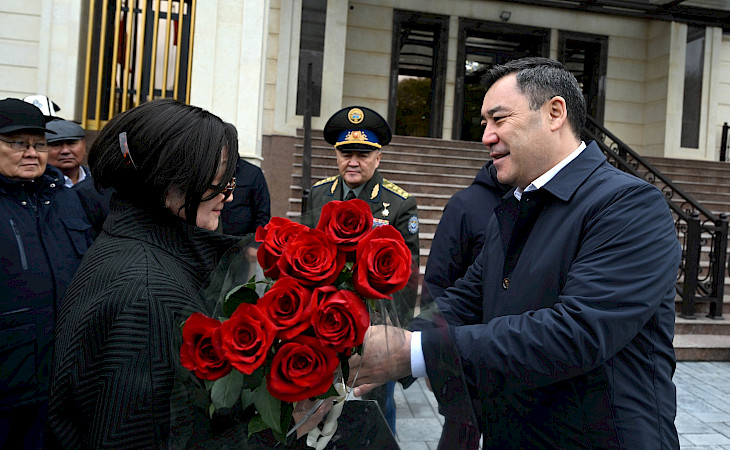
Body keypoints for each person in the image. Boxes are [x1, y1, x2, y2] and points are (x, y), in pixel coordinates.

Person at [349, 57, 682, 449]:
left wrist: (415, 352)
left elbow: (575, 333)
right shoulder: (516, 204)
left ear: (555, 113)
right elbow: (467, 298)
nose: (487, 136)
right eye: (484, 124)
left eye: (499, 119)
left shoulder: (628, 205)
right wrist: (389, 342)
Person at [46, 99, 249, 448]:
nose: (228, 196)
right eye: (217, 178)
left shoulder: (131, 246)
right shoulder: (147, 293)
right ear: (167, 178)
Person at [301, 106, 420, 436]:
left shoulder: (398, 204)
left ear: (378, 158)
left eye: (363, 154)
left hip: (373, 327)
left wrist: (393, 333)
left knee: (376, 404)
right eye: (345, 153)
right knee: (321, 404)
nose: (353, 161)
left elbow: (407, 277)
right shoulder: (319, 194)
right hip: (326, 320)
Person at [0, 98, 94, 448]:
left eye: (39, 144)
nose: (31, 153)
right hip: (8, 383)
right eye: (16, 143)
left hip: (62, 381)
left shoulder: (65, 198)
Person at [422, 159, 509, 448]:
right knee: (460, 438)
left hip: (517, 357)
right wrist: (434, 353)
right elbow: (437, 282)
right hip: (465, 359)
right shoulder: (465, 205)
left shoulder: (538, 202)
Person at [44, 119, 112, 236]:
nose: (65, 151)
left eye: (71, 143)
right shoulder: (39, 191)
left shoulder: (102, 184)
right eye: (56, 144)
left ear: (84, 146)